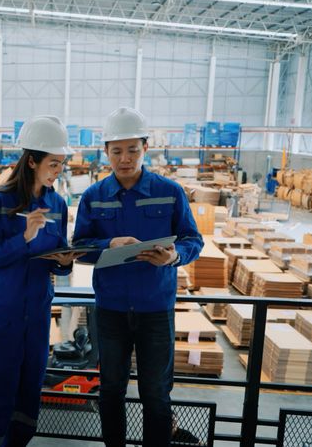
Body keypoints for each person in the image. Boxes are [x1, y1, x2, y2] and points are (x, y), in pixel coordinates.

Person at [73, 107, 204, 447]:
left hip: (155, 311)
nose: (125, 158)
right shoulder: (93, 197)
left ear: (146, 147)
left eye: (132, 149)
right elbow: (79, 248)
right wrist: (108, 244)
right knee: (111, 390)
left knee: (156, 395)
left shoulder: (169, 192)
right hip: (112, 310)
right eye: (116, 151)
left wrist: (174, 256)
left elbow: (193, 239)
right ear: (106, 152)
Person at [0, 115, 82, 447]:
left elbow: (57, 261)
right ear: (32, 160)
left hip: (36, 314)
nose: (57, 170)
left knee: (29, 388)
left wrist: (64, 263)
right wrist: (24, 237)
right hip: (1, 313)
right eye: (53, 163)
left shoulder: (58, 205)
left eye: (61, 163)